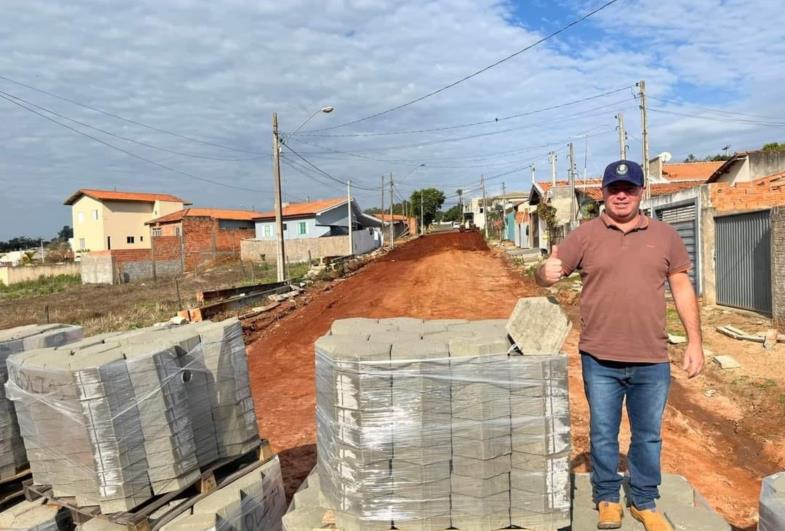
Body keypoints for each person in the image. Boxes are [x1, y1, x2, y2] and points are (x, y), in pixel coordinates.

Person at [535, 160, 704, 531]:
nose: (622, 195)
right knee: (602, 431)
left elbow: (680, 286)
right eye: (615, 189)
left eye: (629, 188)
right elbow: (550, 272)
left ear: (642, 192)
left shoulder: (665, 236)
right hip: (599, 358)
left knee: (648, 435)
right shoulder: (584, 235)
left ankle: (643, 501)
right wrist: (544, 274)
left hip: (652, 358)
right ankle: (607, 498)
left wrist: (695, 342)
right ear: (604, 194)